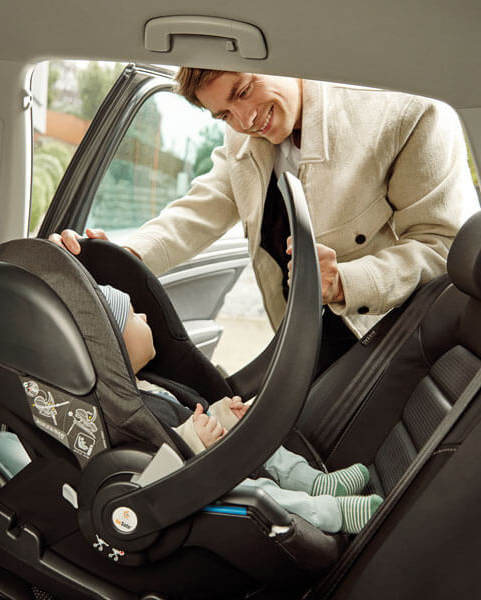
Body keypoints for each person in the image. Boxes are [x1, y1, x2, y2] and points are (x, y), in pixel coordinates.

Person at [51, 69, 479, 374]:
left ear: (286, 57)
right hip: (300, 338)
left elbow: (444, 246)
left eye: (243, 90)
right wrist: (118, 258)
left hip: (385, 339)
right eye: (223, 114)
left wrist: (346, 281)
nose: (244, 121)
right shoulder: (243, 134)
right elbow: (198, 210)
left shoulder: (406, 113)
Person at [99, 282, 383, 534]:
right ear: (114, 345)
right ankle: (330, 512)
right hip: (196, 481)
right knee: (255, 493)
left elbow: (191, 413)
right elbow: (151, 460)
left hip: (211, 452)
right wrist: (196, 437)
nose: (145, 316)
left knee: (262, 442)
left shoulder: (147, 384)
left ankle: (316, 482)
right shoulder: (124, 411)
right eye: (134, 315)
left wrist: (223, 414)